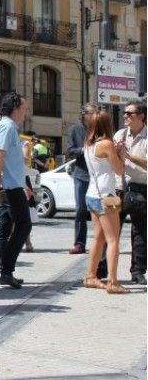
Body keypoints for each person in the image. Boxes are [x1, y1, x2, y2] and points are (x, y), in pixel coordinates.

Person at [81, 109, 129, 294]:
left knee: (98, 238)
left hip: (92, 194)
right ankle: (113, 281)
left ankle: (90, 275)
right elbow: (118, 170)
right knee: (113, 239)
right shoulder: (107, 143)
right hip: (107, 196)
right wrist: (121, 154)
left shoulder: (88, 145)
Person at [0, 92, 32, 289]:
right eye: (24, 107)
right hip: (10, 187)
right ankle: (6, 269)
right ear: (15, 108)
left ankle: (1, 270)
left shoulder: (7, 127)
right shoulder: (7, 128)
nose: (26, 111)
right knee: (24, 225)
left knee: (4, 227)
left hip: (12, 185)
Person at [114, 100, 147, 285]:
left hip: (141, 187)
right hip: (119, 187)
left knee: (140, 231)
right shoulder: (120, 134)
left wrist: (127, 156)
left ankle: (138, 271)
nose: (125, 116)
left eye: (129, 113)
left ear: (141, 116)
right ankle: (103, 268)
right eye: (125, 112)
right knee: (111, 230)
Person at [66, 104, 97, 255]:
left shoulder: (100, 130)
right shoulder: (74, 130)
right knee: (80, 211)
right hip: (81, 175)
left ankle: (100, 243)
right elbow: (69, 151)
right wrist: (82, 150)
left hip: (97, 176)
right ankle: (79, 243)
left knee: (98, 211)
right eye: (93, 113)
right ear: (84, 115)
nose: (95, 116)